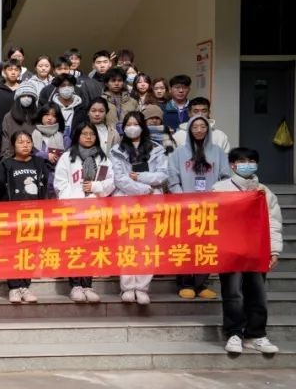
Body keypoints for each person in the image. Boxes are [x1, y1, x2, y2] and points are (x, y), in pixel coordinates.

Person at [215, 147, 283, 355]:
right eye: (242, 161)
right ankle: (234, 333)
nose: (247, 164)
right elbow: (213, 219)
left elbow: (273, 223)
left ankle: (256, 334)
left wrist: (274, 251)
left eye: (251, 161)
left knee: (257, 293)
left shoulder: (264, 192)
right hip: (230, 250)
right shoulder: (219, 188)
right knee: (233, 293)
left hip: (257, 250)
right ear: (232, 165)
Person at [111, 111, 173, 305]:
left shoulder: (157, 149)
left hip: (150, 204)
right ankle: (128, 287)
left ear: (142, 127)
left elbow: (163, 174)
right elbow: (119, 178)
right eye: (128, 124)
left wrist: (140, 177)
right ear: (123, 128)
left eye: (135, 124)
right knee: (126, 245)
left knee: (147, 246)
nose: (132, 127)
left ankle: (142, 287)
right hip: (126, 203)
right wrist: (145, 189)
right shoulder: (116, 150)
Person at [168, 114, 230, 300]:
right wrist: (183, 199)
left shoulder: (218, 152)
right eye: (195, 127)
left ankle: (201, 284)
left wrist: (216, 196)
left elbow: (225, 176)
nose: (199, 130)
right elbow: (173, 179)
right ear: (189, 130)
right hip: (185, 207)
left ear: (208, 129)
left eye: (203, 126)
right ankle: (185, 283)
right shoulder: (179, 153)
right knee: (185, 245)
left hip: (210, 208)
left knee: (207, 245)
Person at [53, 122, 113, 303]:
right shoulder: (67, 157)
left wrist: (95, 187)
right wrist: (72, 203)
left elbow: (110, 182)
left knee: (91, 248)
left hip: (94, 210)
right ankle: (75, 286)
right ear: (77, 136)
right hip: (73, 211)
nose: (88, 137)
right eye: (84, 133)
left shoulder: (102, 158)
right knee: (74, 248)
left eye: (91, 134)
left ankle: (87, 285)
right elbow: (60, 183)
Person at [0, 131, 48, 304]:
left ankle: (25, 286)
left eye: (28, 141)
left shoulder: (39, 163)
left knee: (29, 252)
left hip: (34, 216)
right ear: (13, 145)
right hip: (13, 217)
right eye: (20, 142)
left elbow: (44, 187)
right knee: (13, 251)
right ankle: (14, 288)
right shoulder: (6, 164)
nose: (25, 145)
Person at [0, 81, 38, 157]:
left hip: (35, 158)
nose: (26, 98)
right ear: (18, 98)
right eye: (23, 96)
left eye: (29, 96)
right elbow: (5, 140)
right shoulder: (8, 117)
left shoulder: (38, 116)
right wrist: (8, 157)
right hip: (13, 158)